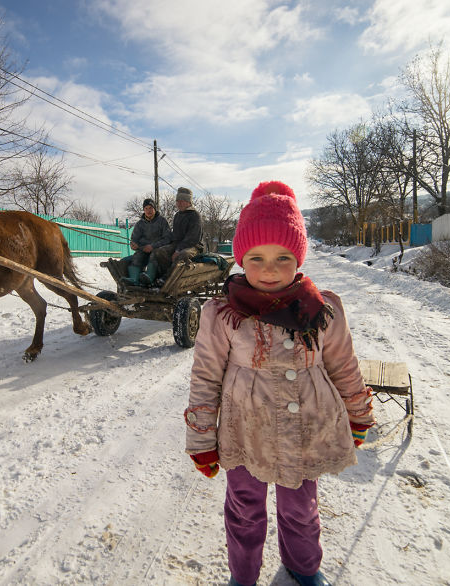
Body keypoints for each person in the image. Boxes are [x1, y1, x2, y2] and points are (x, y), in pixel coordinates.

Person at [183, 181, 375, 586]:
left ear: (300, 256)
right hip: (245, 432)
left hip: (306, 429)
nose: (269, 270)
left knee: (301, 508)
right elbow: (205, 378)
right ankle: (244, 576)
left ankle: (304, 568)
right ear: (240, 258)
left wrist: (358, 415)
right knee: (244, 508)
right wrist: (202, 439)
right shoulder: (221, 315)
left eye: (283, 257)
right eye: (256, 257)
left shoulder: (323, 310)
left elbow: (343, 365)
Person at [146, 187, 202, 286]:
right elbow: (175, 235)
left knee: (183, 254)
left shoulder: (194, 215)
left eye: (182, 201)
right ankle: (162, 276)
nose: (179, 203)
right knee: (160, 251)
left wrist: (177, 250)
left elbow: (192, 238)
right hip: (178, 244)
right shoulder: (177, 216)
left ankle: (167, 279)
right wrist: (160, 242)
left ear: (188, 202)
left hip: (194, 246)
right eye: (177, 201)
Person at [120, 198, 171, 286]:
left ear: (155, 209)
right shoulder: (140, 224)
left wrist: (153, 246)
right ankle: (134, 279)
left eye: (150, 208)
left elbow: (167, 238)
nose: (148, 211)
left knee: (154, 255)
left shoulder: (162, 221)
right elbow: (134, 239)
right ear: (144, 210)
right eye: (146, 208)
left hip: (158, 250)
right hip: (143, 250)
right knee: (137, 257)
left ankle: (149, 277)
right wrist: (133, 244)